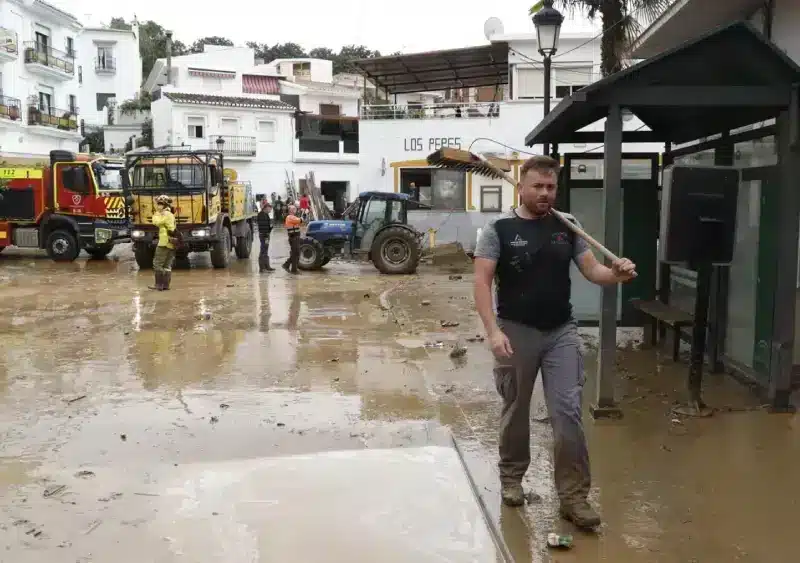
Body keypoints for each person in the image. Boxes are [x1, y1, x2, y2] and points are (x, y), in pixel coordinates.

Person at [473, 155, 636, 529]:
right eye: (538, 187)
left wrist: (616, 273)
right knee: (516, 409)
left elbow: (593, 270)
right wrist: (493, 331)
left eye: (551, 187)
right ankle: (512, 478)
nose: (545, 193)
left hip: (561, 331)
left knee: (567, 414)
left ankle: (574, 497)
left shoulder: (568, 226)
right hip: (516, 330)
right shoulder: (497, 229)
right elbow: (481, 282)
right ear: (522, 187)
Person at [150, 194, 177, 291]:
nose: (158, 206)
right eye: (158, 204)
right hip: (171, 242)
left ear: (165, 205)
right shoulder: (170, 214)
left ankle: (159, 285)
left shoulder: (165, 214)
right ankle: (165, 285)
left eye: (160, 204)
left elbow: (156, 222)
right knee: (167, 265)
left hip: (164, 242)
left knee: (157, 264)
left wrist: (157, 213)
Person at [282, 204, 302, 274]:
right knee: (296, 253)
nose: (295, 210)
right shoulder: (290, 217)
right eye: (294, 209)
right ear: (291, 210)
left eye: (295, 209)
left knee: (295, 253)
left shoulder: (292, 217)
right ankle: (290, 267)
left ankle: (290, 267)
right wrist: (304, 214)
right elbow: (300, 220)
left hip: (295, 237)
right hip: (293, 237)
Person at [257, 199, 275, 272]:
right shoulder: (261, 215)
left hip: (266, 235)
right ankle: (262, 268)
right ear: (266, 208)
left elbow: (266, 226)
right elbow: (261, 227)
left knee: (265, 251)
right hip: (264, 235)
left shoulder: (266, 215)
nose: (270, 210)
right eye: (270, 209)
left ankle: (267, 266)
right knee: (263, 251)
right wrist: (266, 234)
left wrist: (270, 228)